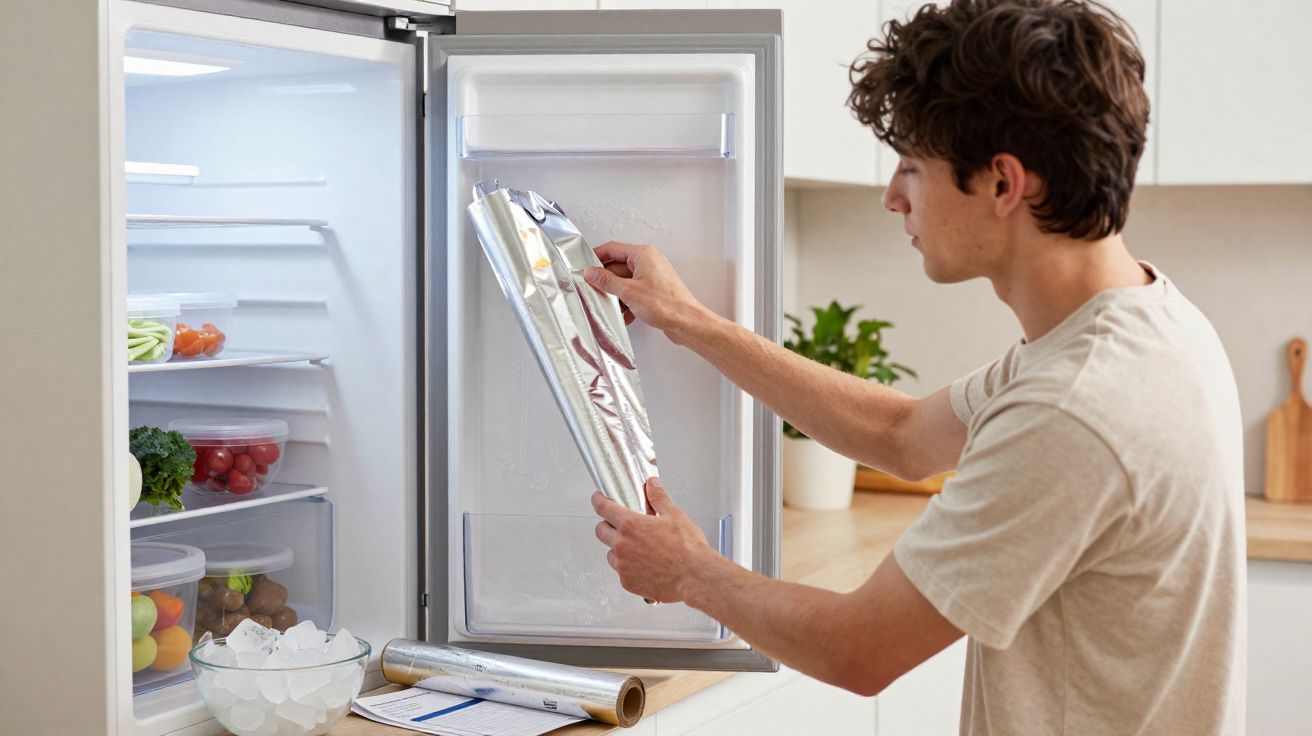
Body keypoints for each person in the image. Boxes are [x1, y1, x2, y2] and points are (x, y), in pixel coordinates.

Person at [584, 0, 1247, 733]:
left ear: (1003, 184)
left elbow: (859, 648)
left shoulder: (1075, 407)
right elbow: (900, 434)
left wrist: (689, 573)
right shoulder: (1143, 322)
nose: (893, 196)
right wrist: (690, 321)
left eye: (912, 167)